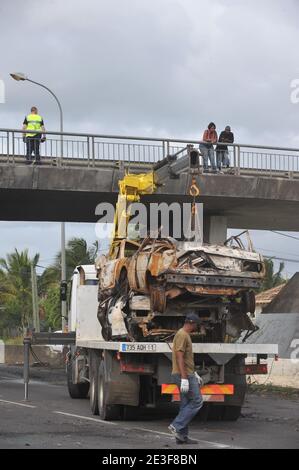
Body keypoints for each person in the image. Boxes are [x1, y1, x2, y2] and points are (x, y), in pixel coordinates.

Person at [168, 313, 203, 444]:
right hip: (183, 374)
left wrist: (194, 373)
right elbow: (179, 357)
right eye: (196, 325)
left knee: (185, 404)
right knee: (197, 401)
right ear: (192, 323)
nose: (196, 327)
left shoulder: (183, 334)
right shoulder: (182, 335)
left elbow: (186, 358)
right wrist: (184, 378)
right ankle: (176, 425)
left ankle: (181, 437)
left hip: (188, 373)